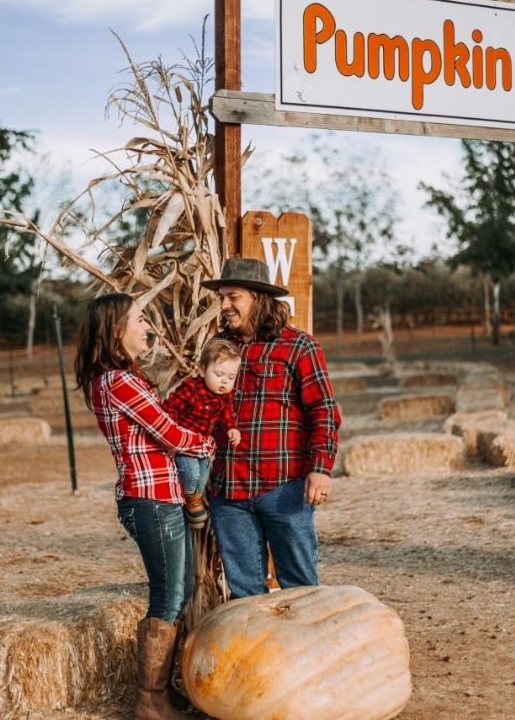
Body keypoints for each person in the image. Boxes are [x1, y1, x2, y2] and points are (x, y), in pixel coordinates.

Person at [75, 292, 212, 719]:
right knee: (168, 594)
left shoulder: (119, 378)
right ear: (117, 330)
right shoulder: (118, 381)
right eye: (140, 319)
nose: (148, 324)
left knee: (178, 590)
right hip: (150, 497)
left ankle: (158, 696)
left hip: (157, 495)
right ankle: (149, 701)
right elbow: (169, 434)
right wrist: (206, 443)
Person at [200, 257, 341, 598]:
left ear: (258, 298)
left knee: (300, 588)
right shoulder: (220, 347)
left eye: (233, 296)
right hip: (228, 491)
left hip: (284, 489)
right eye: (222, 297)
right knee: (245, 593)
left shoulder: (298, 346)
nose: (224, 305)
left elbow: (323, 410)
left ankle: (307, 652)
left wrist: (321, 469)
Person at [162, 338, 241, 529]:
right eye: (219, 374)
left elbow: (226, 412)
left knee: (204, 470)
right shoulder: (191, 389)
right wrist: (170, 432)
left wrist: (231, 427)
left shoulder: (224, 395)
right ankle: (191, 497)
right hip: (183, 442)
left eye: (231, 378)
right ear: (203, 370)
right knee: (190, 470)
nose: (225, 381)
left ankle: (192, 497)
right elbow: (169, 408)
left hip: (202, 444)